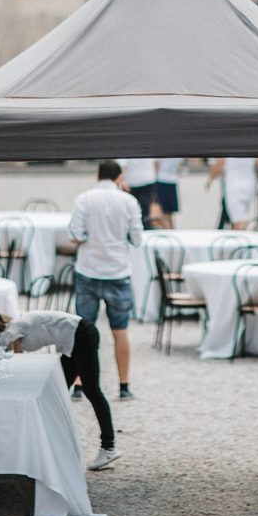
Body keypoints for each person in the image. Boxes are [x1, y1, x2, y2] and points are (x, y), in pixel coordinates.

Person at [0, 310, 119, 470]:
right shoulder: (14, 327)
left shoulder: (11, 331)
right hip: (75, 338)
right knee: (56, 391)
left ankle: (109, 447)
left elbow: (17, 361)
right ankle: (57, 448)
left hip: (81, 334)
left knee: (92, 391)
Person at [69, 160, 143, 400]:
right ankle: (124, 386)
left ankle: (79, 384)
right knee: (120, 331)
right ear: (119, 177)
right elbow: (137, 239)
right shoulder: (129, 202)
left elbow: (75, 235)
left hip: (89, 269)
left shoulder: (84, 199)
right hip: (118, 271)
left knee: (82, 331)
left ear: (96, 176)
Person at [207, 157, 258, 230]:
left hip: (233, 185)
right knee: (243, 218)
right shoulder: (252, 146)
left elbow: (219, 165)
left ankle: (239, 239)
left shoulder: (227, 146)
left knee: (237, 220)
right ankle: (241, 236)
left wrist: (210, 179)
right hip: (249, 185)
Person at [118, 158, 161, 228]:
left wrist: (122, 181)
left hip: (134, 182)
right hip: (146, 180)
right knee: (145, 210)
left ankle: (138, 229)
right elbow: (156, 163)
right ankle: (145, 227)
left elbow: (122, 165)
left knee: (131, 211)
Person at [151, 157, 182, 229]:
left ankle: (169, 232)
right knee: (169, 215)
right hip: (172, 180)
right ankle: (172, 231)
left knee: (162, 213)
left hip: (161, 180)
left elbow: (156, 165)